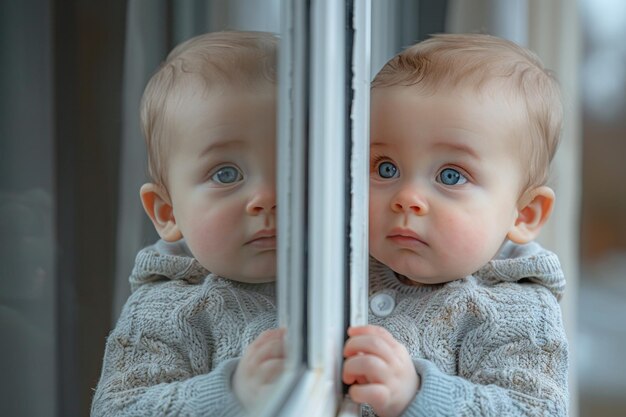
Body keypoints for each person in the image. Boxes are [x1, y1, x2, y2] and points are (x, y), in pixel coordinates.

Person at [342, 33, 569, 417]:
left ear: (524, 214)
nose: (408, 197)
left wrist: (418, 395)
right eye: (386, 168)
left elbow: (534, 410)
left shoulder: (518, 313)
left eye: (451, 176)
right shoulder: (336, 269)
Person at [91, 31, 284, 417]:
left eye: (295, 169)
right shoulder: (166, 312)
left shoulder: (371, 279)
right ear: (167, 213)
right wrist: (231, 392)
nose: (267, 198)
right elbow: (119, 409)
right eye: (226, 174)